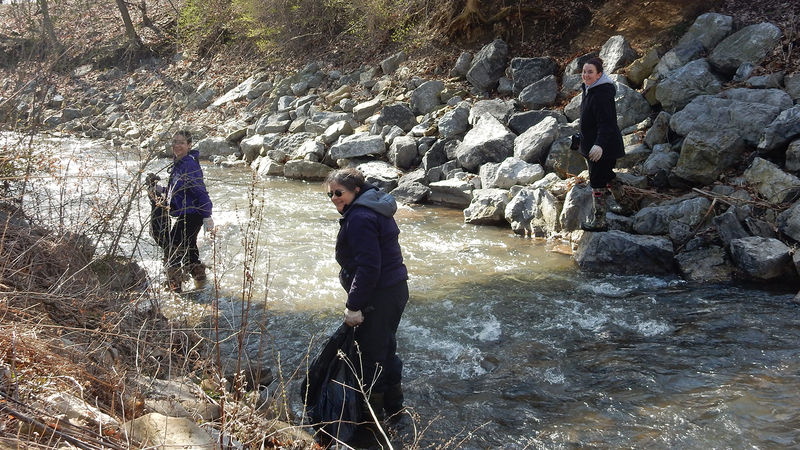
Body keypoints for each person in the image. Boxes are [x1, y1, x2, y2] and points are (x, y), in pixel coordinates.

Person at [324, 168, 409, 427]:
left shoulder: (360, 216)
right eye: (330, 195)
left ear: (356, 191)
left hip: (379, 295)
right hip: (393, 290)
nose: (335, 198)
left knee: (371, 357)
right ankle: (395, 409)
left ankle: (373, 422)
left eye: (339, 193)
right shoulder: (374, 207)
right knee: (385, 348)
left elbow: (369, 267)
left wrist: (354, 306)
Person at [578, 56, 625, 232]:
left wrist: (599, 145)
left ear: (599, 74)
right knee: (607, 175)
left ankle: (599, 221)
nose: (586, 75)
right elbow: (589, 120)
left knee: (597, 181)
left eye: (590, 72)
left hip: (603, 147)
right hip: (593, 145)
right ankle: (626, 204)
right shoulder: (589, 88)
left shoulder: (602, 94)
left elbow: (607, 123)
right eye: (584, 71)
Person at [164, 130, 214, 292]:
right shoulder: (179, 163)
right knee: (189, 250)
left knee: (172, 249)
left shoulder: (189, 164)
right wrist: (158, 189)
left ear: (189, 145)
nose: (177, 145)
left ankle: (175, 290)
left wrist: (207, 216)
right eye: (175, 142)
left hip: (193, 214)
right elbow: (175, 190)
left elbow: (200, 191)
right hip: (187, 213)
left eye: (181, 143)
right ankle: (201, 285)